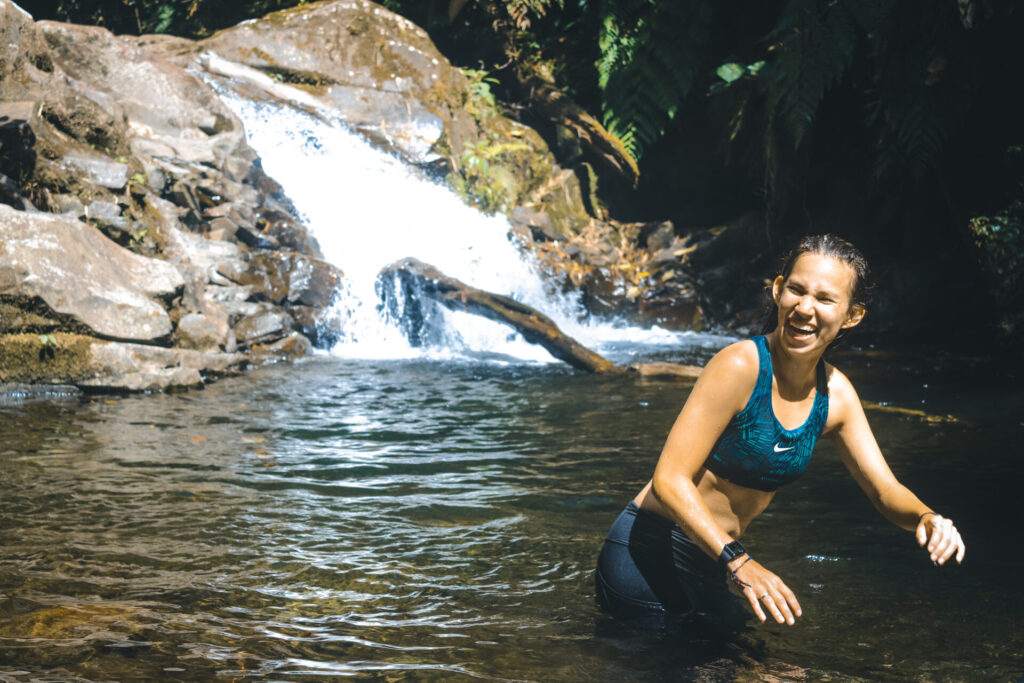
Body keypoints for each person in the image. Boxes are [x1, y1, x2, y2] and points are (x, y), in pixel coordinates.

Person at [595, 234, 966, 627]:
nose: (805, 308)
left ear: (852, 315)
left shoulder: (835, 396)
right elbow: (669, 479)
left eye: (825, 299)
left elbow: (884, 490)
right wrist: (741, 562)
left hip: (712, 560)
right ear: (777, 290)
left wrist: (927, 518)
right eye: (796, 290)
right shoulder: (740, 366)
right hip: (647, 552)